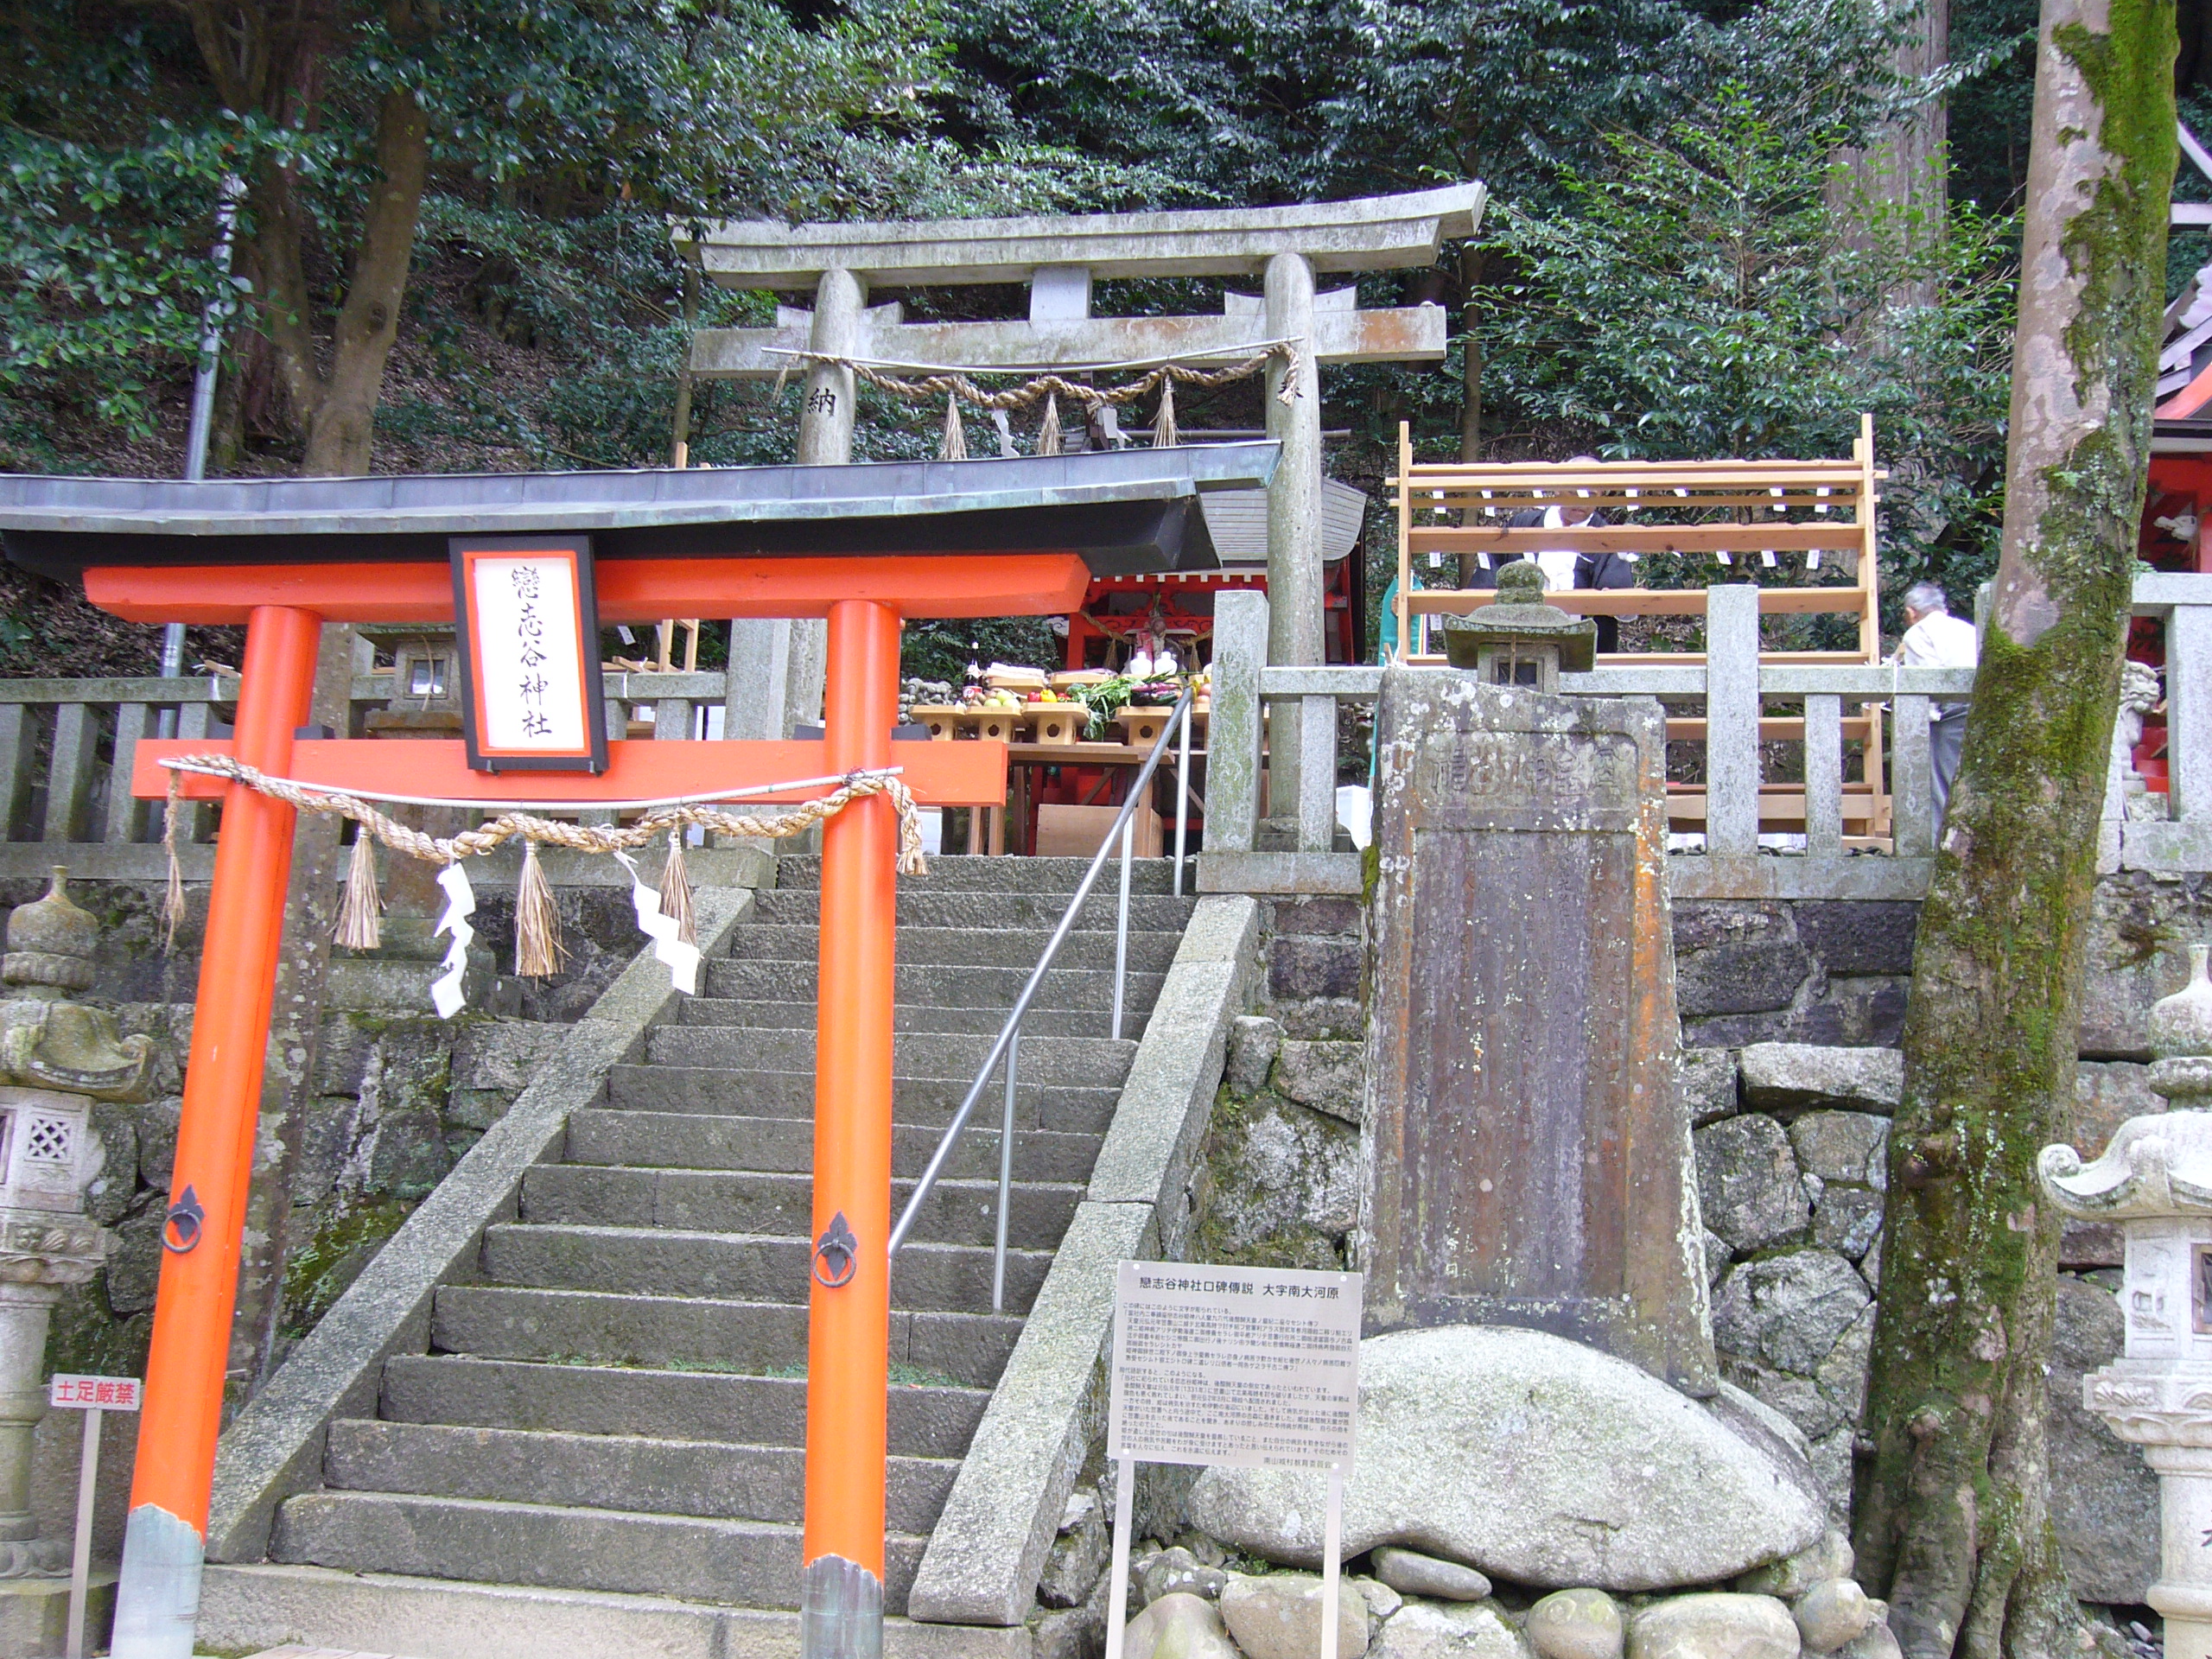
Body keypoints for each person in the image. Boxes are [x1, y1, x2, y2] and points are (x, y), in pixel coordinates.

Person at [1465, 458, 1634, 652]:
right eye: (1573, 492)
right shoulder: (1523, 525)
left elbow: (1618, 598)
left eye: (1591, 494)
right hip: (1518, 634)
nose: (1581, 502)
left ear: (1602, 495)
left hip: (1580, 642)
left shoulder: (1607, 537)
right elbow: (1488, 579)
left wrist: (1612, 599)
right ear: (1557, 488)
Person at [1895, 580, 1979, 828]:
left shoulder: (1918, 633)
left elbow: (1926, 685)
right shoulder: (1968, 628)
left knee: (1941, 784)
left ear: (1911, 612)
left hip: (1950, 714)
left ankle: (1938, 847)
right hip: (1980, 708)